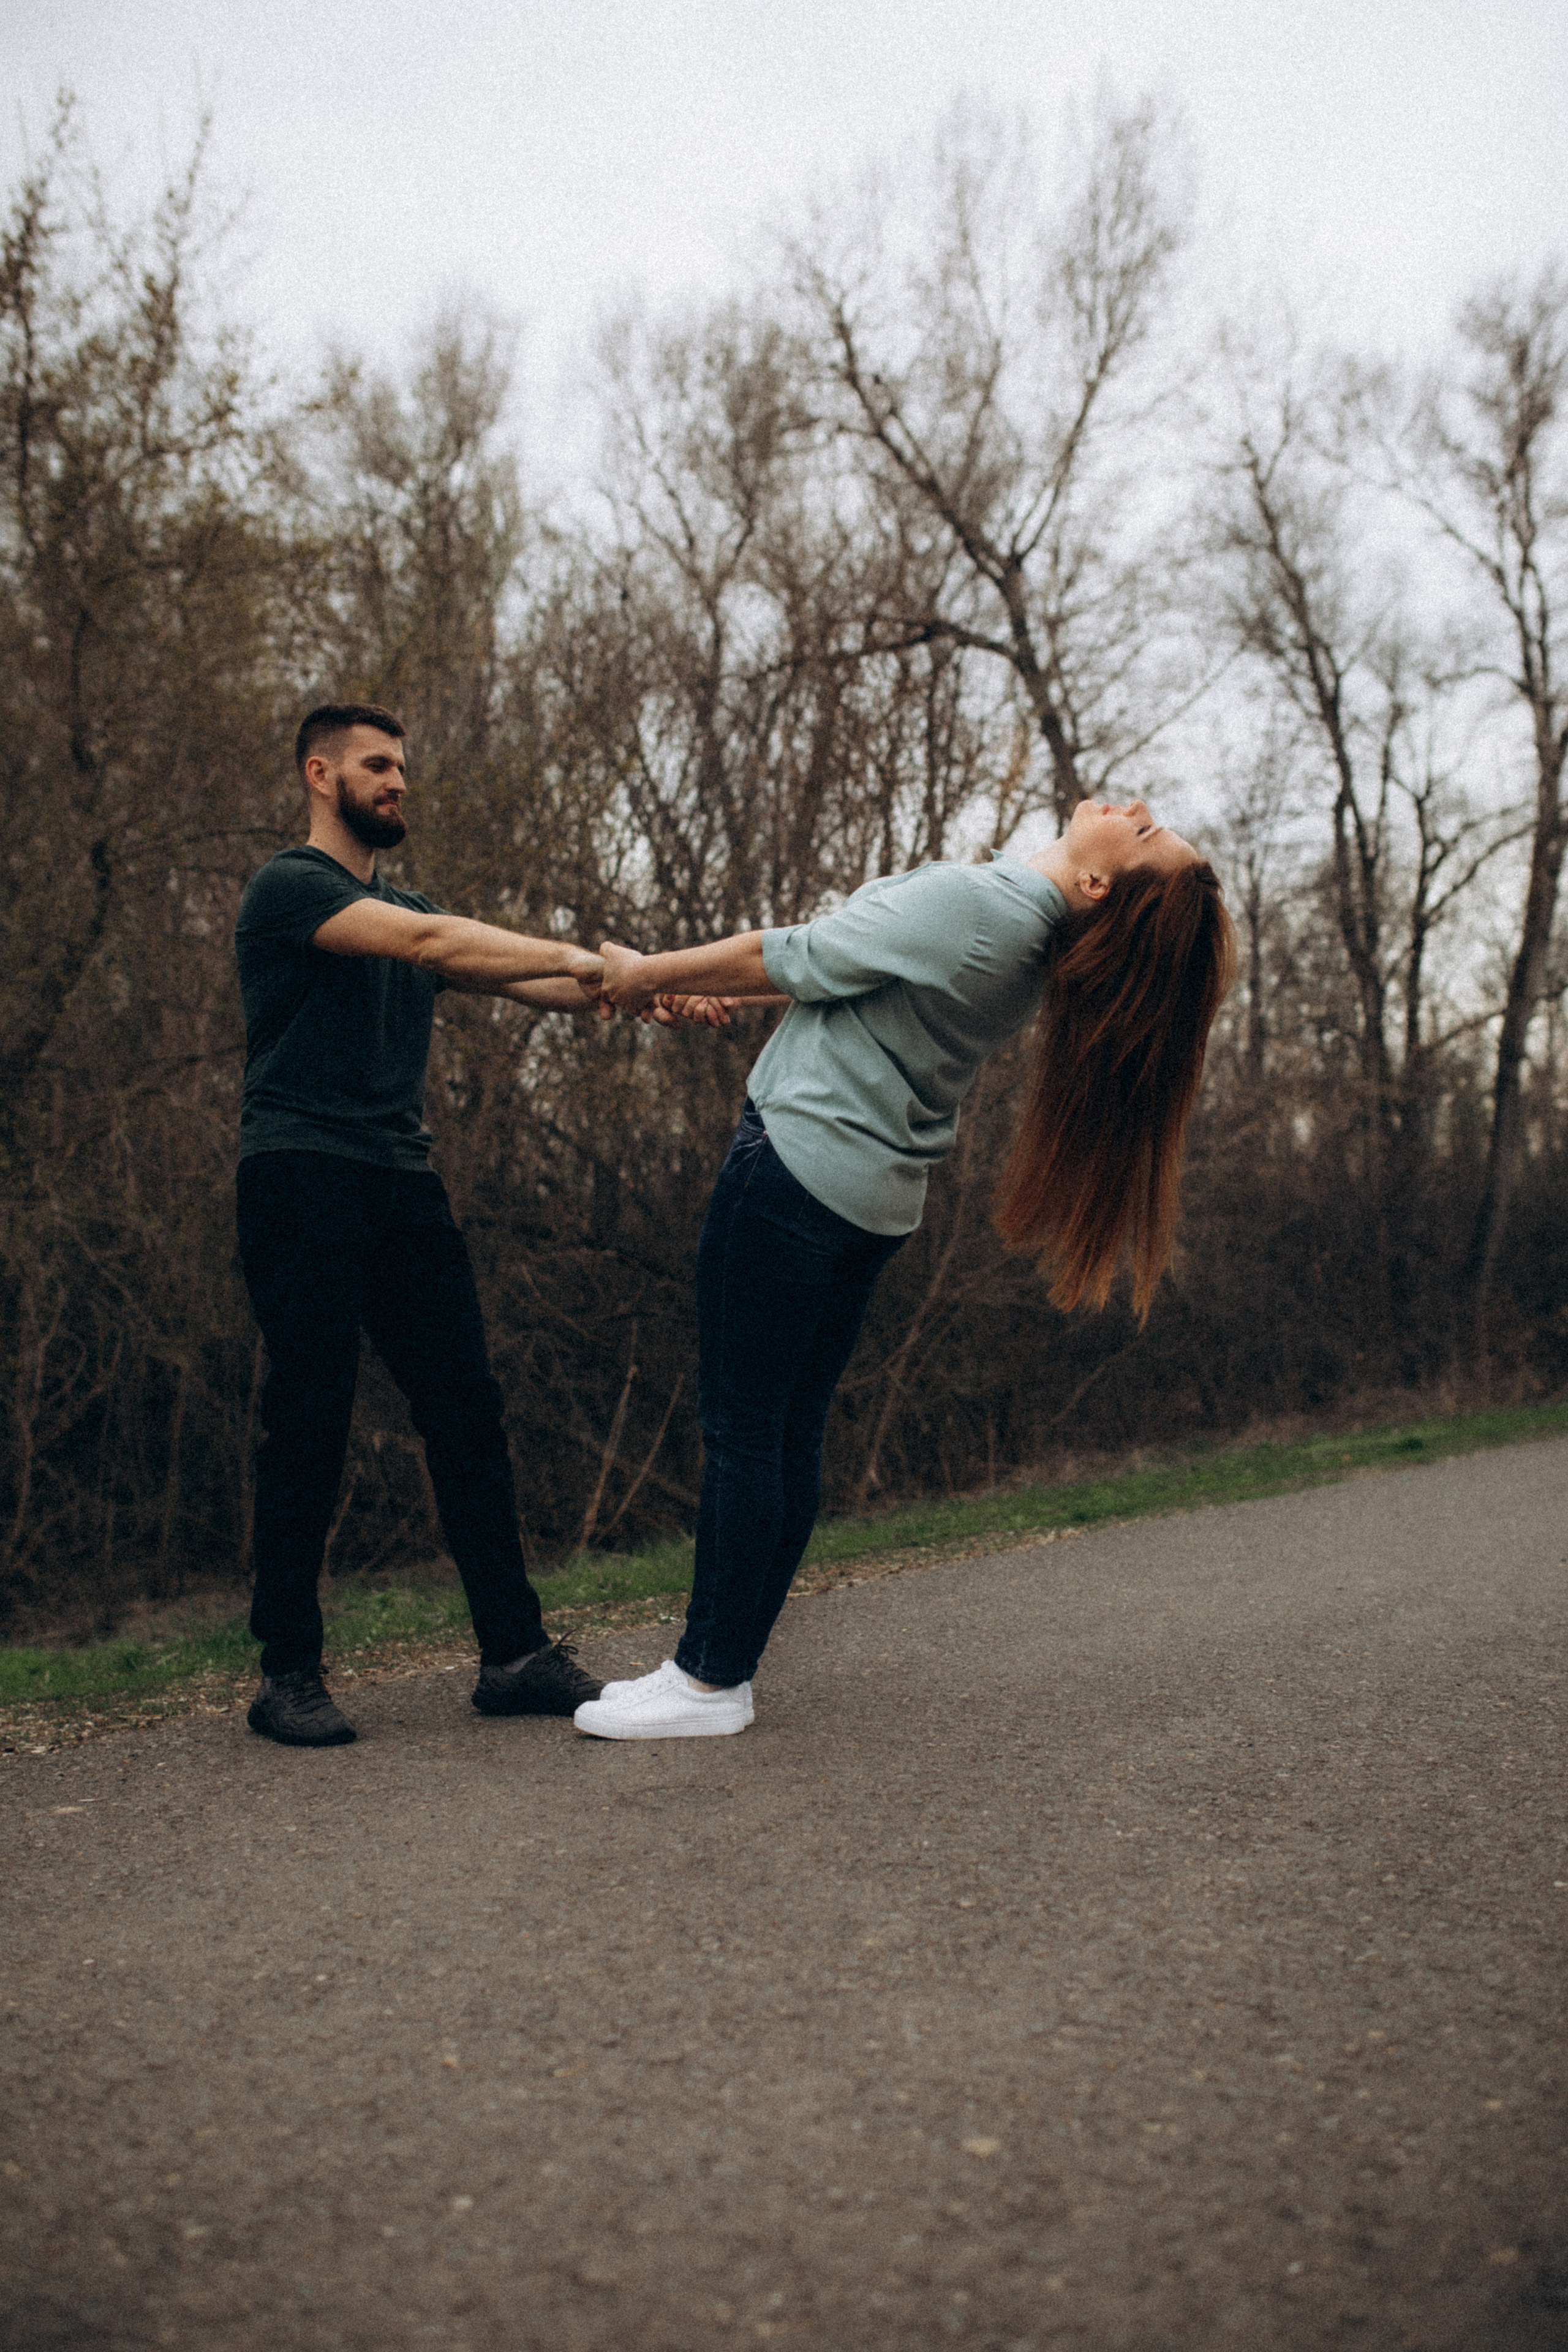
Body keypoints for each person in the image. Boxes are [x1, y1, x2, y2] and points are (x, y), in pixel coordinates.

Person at [572, 800, 1235, 1741]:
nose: (1132, 809)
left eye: (1141, 832)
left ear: (1095, 885)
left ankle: (706, 1682)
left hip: (793, 1171)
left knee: (744, 1430)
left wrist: (644, 974)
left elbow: (790, 956)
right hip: (866, 1201)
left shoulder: (982, 909)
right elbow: (838, 974)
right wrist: (688, 987)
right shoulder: (1016, 930)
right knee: (786, 1434)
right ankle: (723, 1676)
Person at [233, 703, 606, 1747]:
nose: (397, 782)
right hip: (299, 1172)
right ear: (321, 773)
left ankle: (515, 1655)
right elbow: (440, 943)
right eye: (377, 766)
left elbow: (532, 982)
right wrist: (579, 955)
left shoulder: (416, 906)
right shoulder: (291, 888)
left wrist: (642, 988)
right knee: (308, 1415)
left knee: (466, 1409)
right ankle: (288, 1675)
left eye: (402, 767)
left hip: (401, 1182)